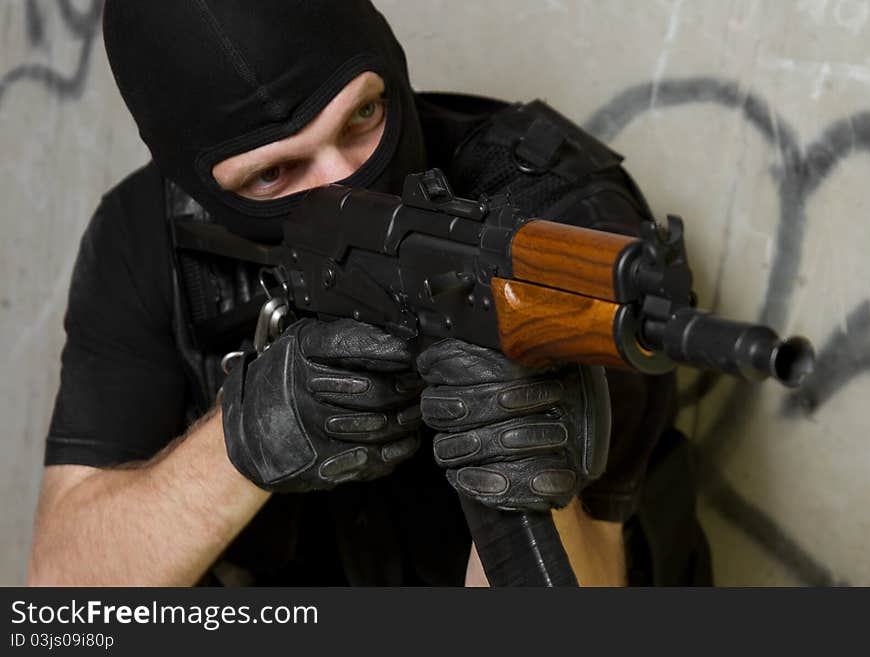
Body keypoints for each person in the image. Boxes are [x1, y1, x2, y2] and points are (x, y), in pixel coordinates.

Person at [28, 0, 709, 586]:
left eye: (363, 115)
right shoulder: (149, 239)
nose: (351, 183)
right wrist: (254, 430)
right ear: (200, 187)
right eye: (275, 174)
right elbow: (63, 594)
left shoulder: (556, 226)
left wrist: (534, 476)